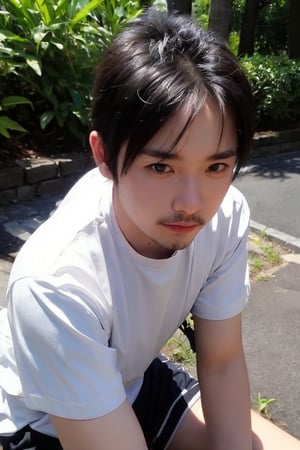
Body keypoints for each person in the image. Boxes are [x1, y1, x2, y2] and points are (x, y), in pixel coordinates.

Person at [0, 8, 299, 450]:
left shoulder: (227, 213)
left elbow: (220, 362)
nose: (192, 203)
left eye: (217, 165)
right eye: (161, 166)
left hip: (135, 382)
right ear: (103, 155)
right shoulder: (55, 286)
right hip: (43, 422)